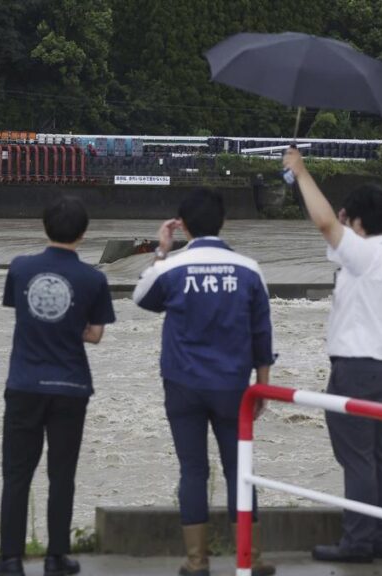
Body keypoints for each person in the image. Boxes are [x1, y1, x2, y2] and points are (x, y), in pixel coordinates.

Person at [132, 189, 275, 576]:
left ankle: (197, 562)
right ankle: (252, 557)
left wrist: (162, 250)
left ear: (183, 226)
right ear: (223, 222)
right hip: (232, 385)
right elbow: (262, 331)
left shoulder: (172, 268)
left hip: (183, 384)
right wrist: (262, 383)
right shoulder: (248, 269)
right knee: (238, 468)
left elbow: (141, 298)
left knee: (193, 470)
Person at [283, 149, 382, 564]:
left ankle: (356, 543)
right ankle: (380, 539)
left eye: (348, 219)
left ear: (358, 224)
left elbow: (323, 223)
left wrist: (300, 172)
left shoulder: (367, 254)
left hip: (354, 367)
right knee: (380, 456)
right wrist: (343, 223)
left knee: (356, 458)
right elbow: (335, 236)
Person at [0, 196, 116, 576]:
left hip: (25, 383)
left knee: (16, 474)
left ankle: (10, 559)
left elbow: (23, 312)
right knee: (62, 475)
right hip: (70, 385)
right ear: (84, 233)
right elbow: (94, 335)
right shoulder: (94, 278)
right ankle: (56, 557)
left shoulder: (21, 268)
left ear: (44, 227)